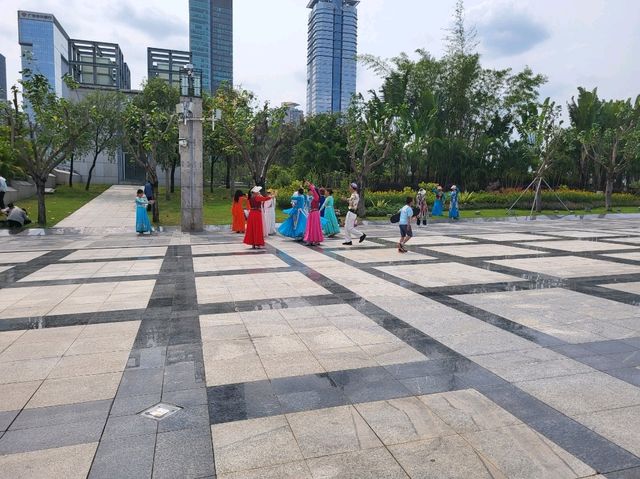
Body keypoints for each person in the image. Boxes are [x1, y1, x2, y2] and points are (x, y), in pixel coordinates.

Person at [303, 181, 324, 246]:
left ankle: (316, 240)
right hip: (312, 213)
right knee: (310, 227)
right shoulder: (312, 198)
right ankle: (310, 240)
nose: (311, 192)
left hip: (315, 213)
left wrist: (310, 185)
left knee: (314, 227)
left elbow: (314, 191)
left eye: (312, 191)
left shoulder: (316, 197)